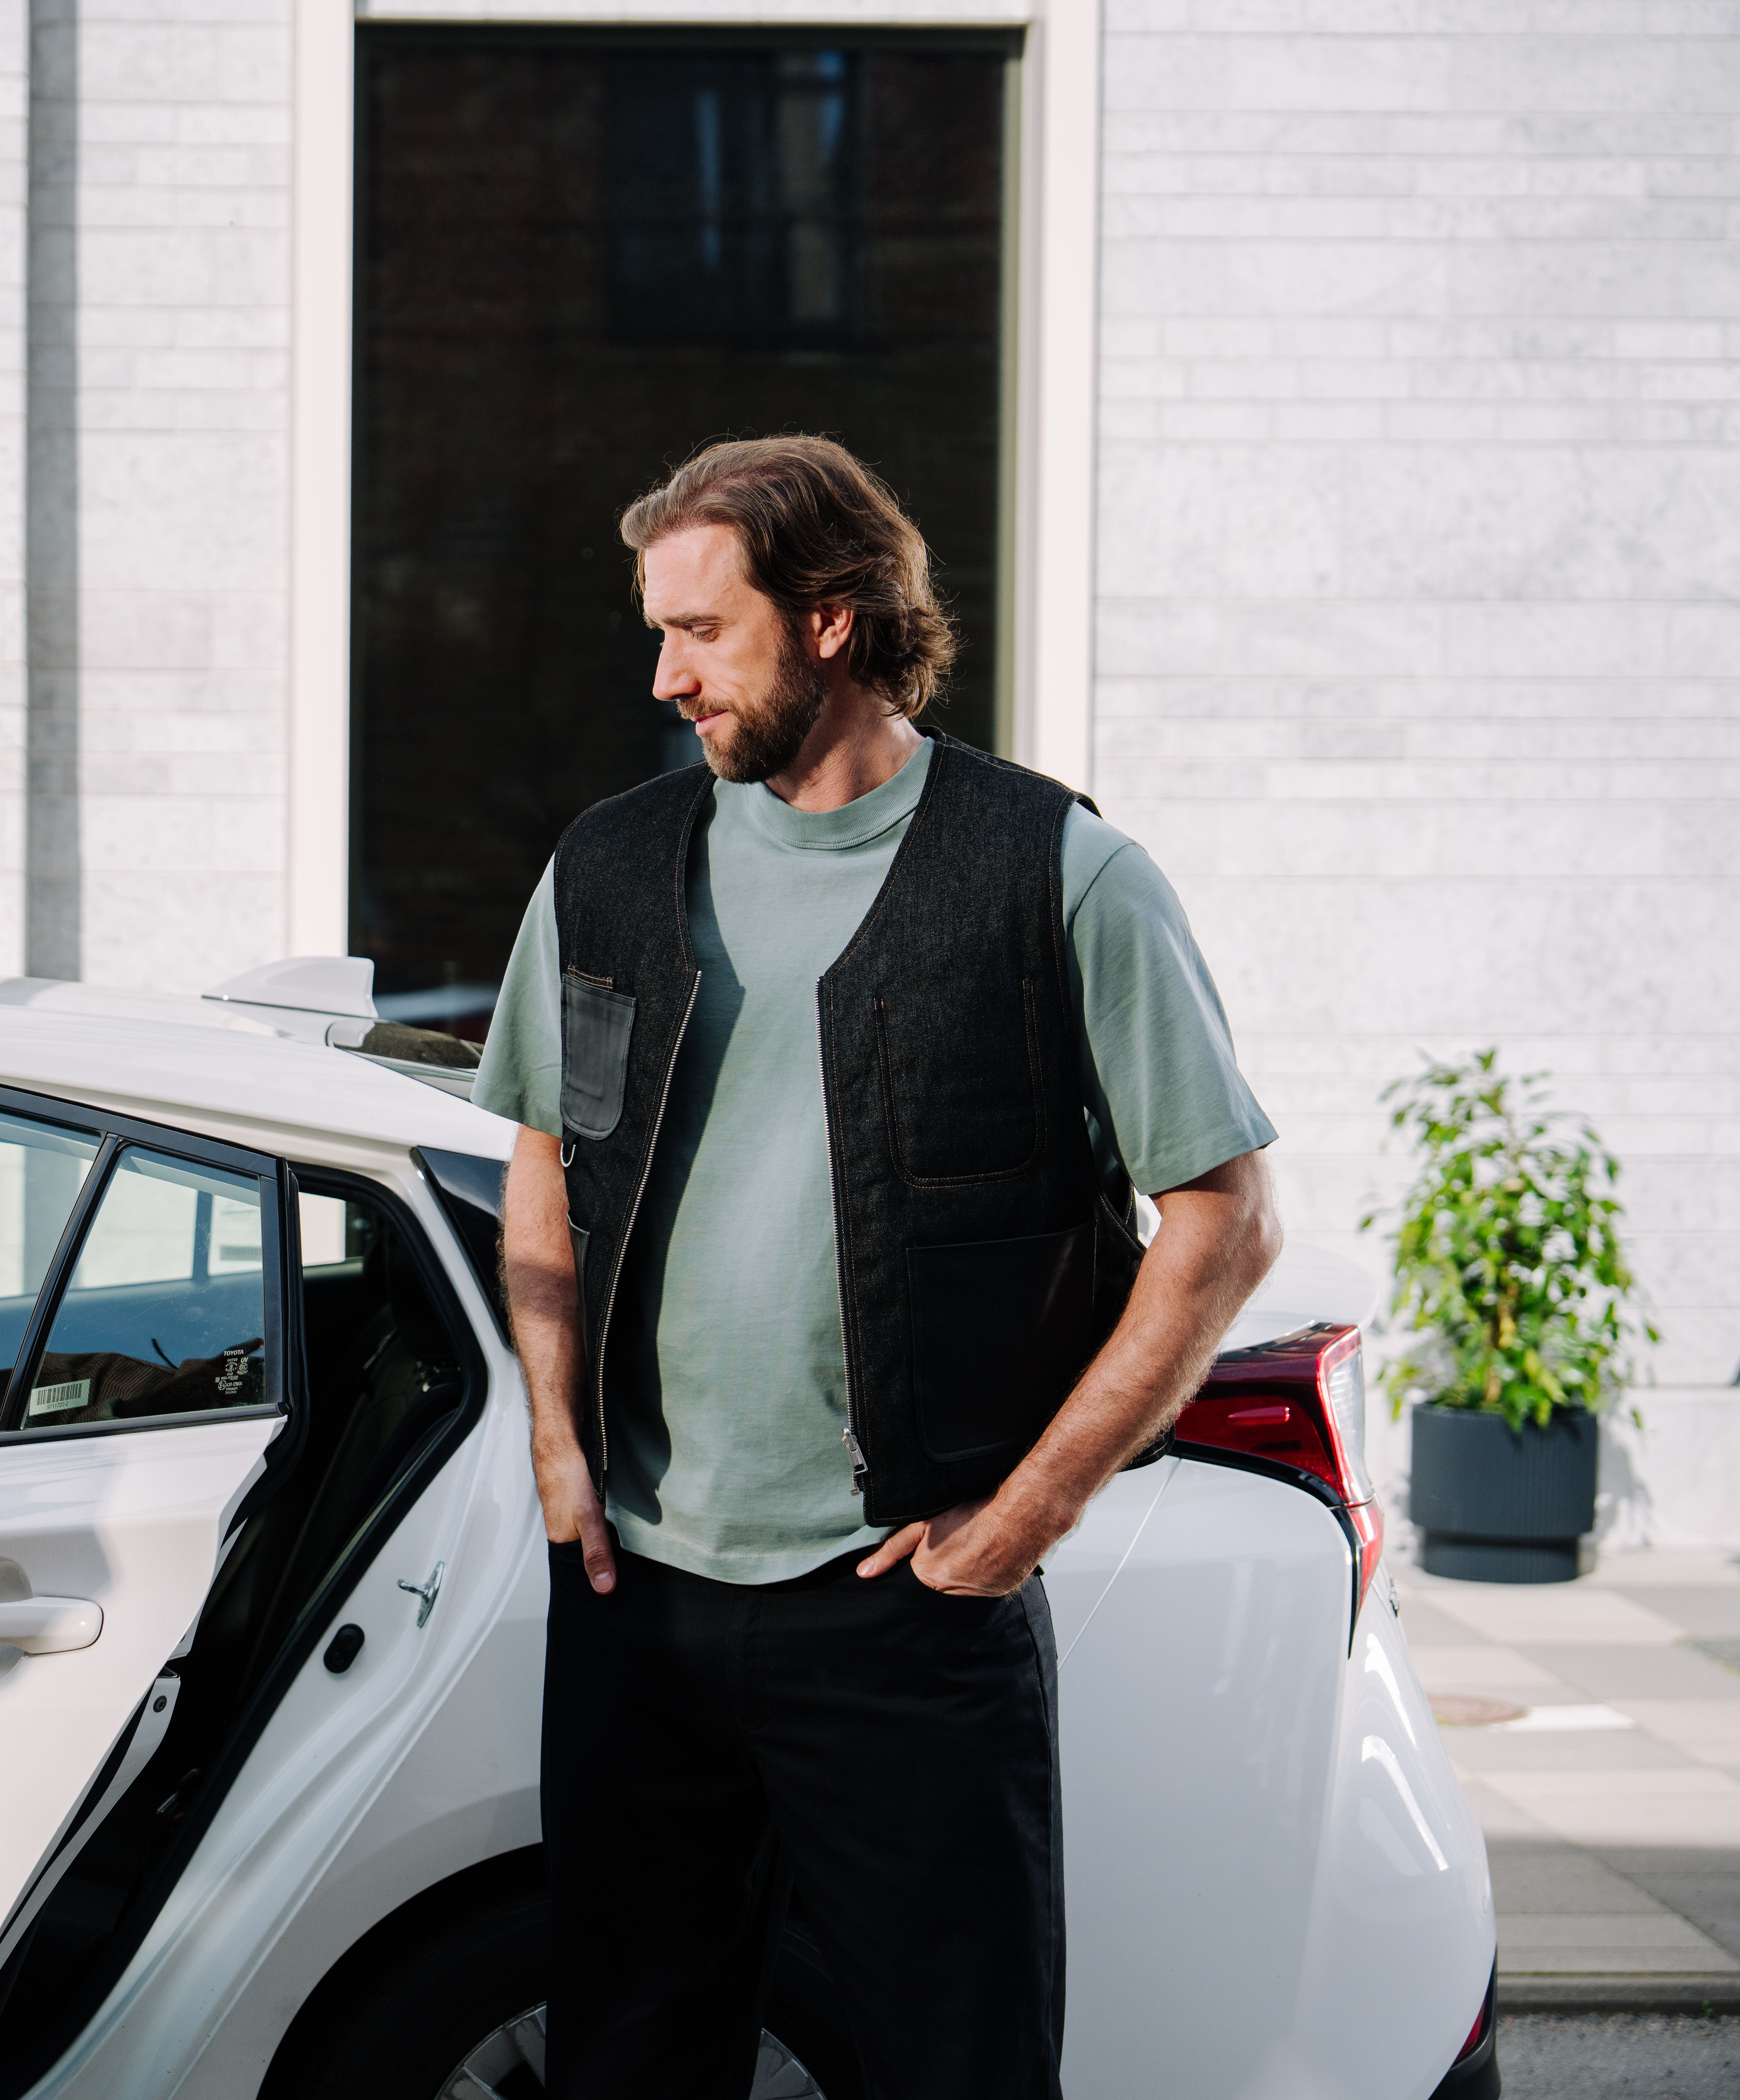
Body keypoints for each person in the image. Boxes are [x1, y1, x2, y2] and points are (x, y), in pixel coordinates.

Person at [476, 438, 1283, 2099]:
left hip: (904, 1611)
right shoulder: (607, 866)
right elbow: (546, 1155)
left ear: (832, 619)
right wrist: (557, 1444)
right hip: (639, 1600)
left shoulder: (1057, 871)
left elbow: (1222, 1217)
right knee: (625, 2069)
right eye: (657, 632)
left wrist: (1023, 1519)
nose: (664, 676)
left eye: (701, 631)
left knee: (954, 2070)